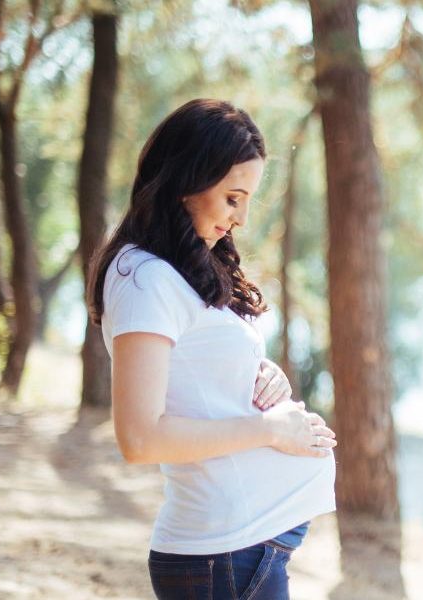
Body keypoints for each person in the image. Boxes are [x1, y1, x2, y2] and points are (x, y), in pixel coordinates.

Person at [87, 98, 337, 600]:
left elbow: (197, 373)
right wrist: (268, 430)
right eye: (232, 197)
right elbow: (140, 438)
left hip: (242, 551)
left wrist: (263, 376)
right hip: (224, 555)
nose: (241, 216)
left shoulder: (183, 266)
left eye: (248, 200)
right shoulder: (144, 277)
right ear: (187, 179)